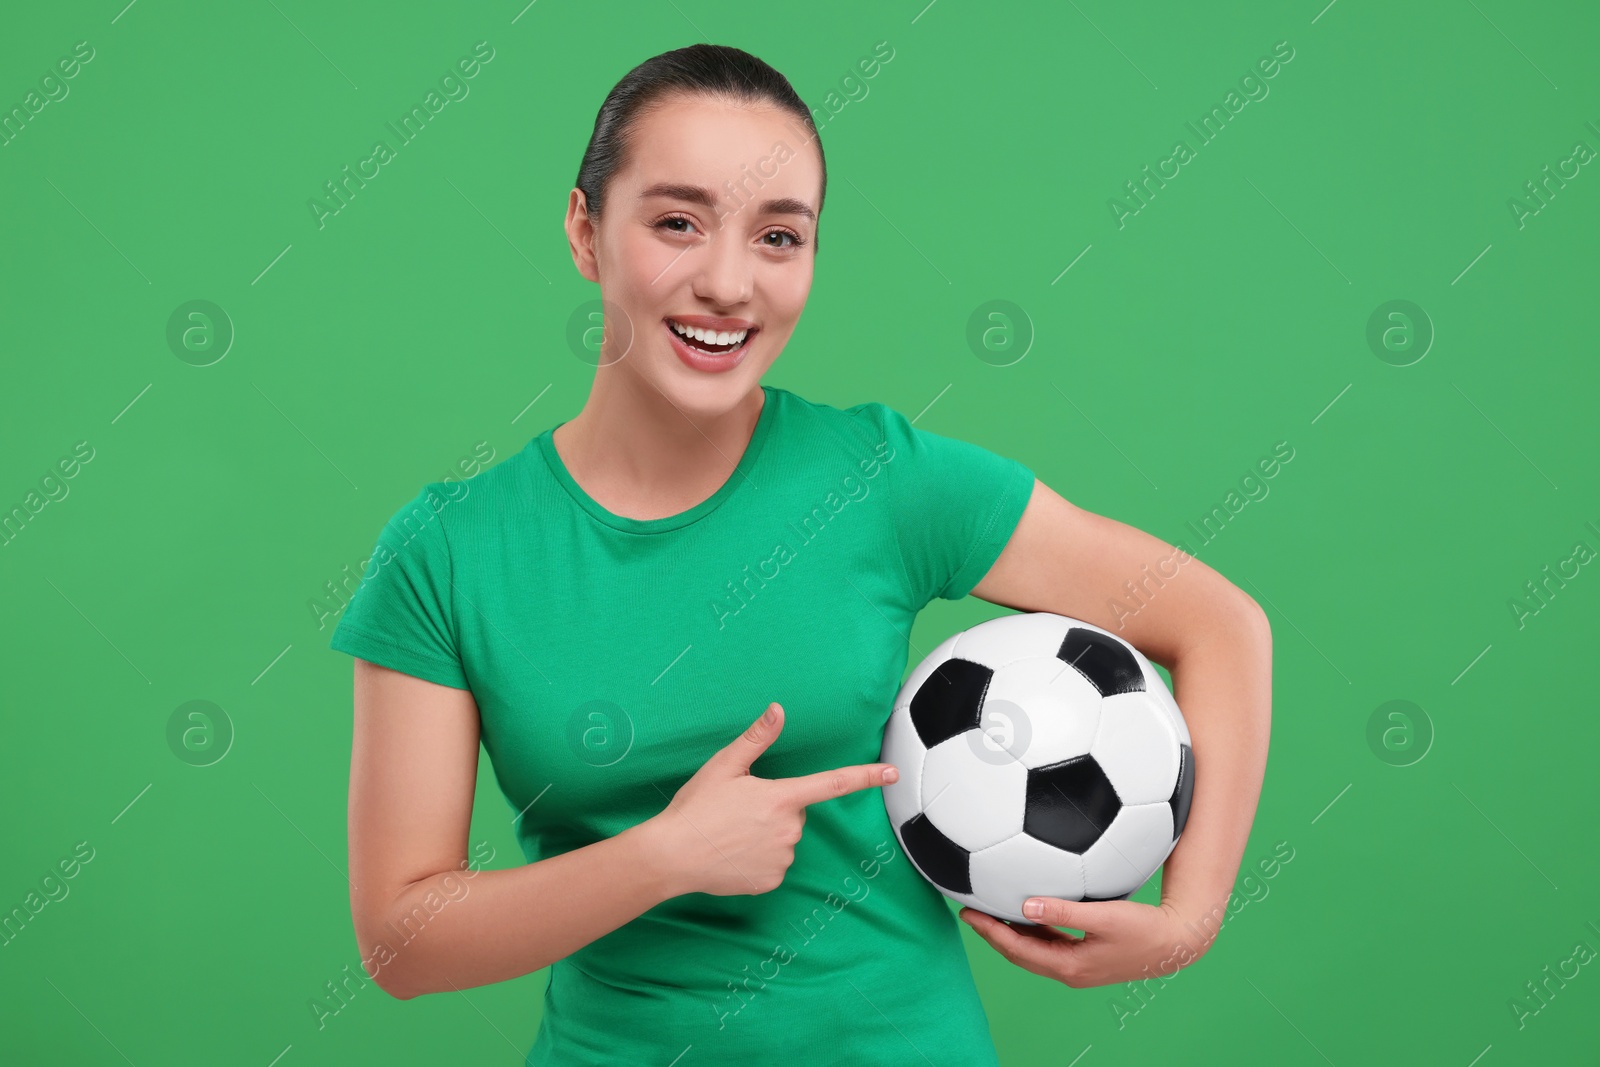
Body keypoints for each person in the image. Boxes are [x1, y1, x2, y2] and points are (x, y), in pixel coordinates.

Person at [331, 43, 1273, 1066]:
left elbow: (1218, 622)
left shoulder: (880, 479)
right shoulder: (449, 551)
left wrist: (1188, 918)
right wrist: (663, 857)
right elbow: (401, 938)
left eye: (779, 236)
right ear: (585, 231)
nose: (728, 282)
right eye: (677, 222)